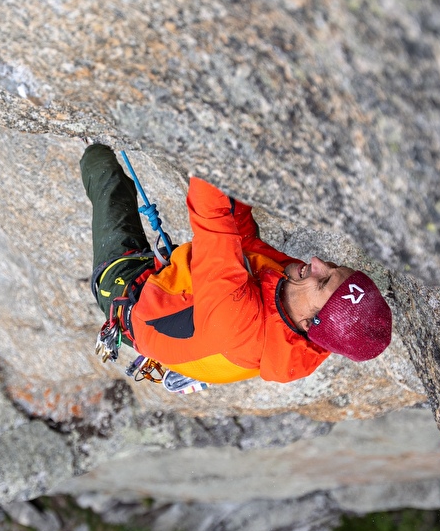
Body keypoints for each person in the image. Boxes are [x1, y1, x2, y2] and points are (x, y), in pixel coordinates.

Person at [82, 143, 392, 386]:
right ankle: (194, 353)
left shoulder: (239, 320)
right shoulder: (307, 304)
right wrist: (237, 171)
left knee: (106, 176)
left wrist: (213, 149)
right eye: (332, 267)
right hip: (204, 309)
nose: (316, 263)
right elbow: (244, 240)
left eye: (323, 281)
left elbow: (212, 219)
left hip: (129, 299)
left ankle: (90, 142)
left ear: (310, 323)